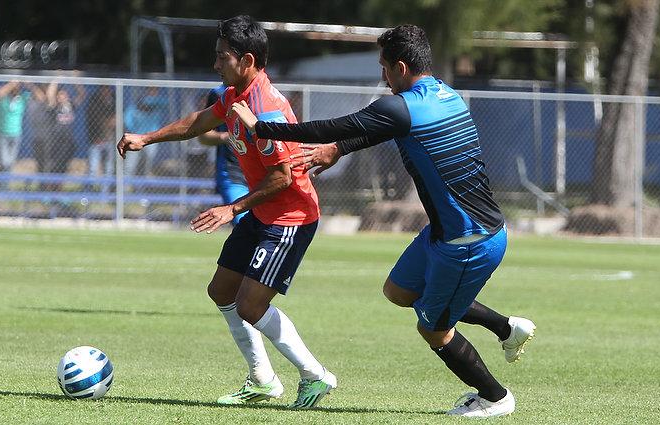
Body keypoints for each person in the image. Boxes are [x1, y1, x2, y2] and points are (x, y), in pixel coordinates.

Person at [229, 24, 535, 418]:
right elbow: (374, 130)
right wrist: (339, 150)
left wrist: (261, 127)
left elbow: (332, 126)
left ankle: (495, 397)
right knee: (399, 291)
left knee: (434, 330)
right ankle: (506, 328)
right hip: (448, 232)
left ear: (401, 68)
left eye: (384, 68)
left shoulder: (399, 107)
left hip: (468, 242)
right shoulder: (445, 95)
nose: (383, 76)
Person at [116, 15, 336, 409]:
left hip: (289, 217)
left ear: (247, 60)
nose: (215, 63)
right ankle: (262, 379)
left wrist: (231, 208)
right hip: (263, 212)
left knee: (251, 305)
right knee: (221, 290)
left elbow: (283, 177)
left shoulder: (266, 110)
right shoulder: (236, 94)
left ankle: (314, 375)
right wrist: (147, 138)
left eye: (223, 57)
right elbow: (199, 122)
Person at [197, 85, 249, 224]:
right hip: (233, 172)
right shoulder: (219, 93)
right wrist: (225, 137)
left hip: (263, 174)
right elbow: (203, 136)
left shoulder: (265, 92)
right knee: (243, 222)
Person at [122, 86, 166, 176]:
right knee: (130, 164)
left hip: (152, 137)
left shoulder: (159, 103)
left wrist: (149, 103)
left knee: (148, 163)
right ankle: (127, 183)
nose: (152, 92)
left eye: (155, 90)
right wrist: (142, 105)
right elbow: (127, 118)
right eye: (150, 90)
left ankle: (143, 183)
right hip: (137, 137)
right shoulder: (136, 105)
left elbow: (164, 103)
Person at [0, 80, 30, 178]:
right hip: (2, 134)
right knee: (4, 161)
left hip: (16, 134)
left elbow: (40, 97)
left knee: (10, 162)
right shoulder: (4, 99)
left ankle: (3, 184)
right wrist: (12, 83)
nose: (15, 89)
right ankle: (1, 183)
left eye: (17, 87)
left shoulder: (22, 99)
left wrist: (29, 84)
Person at [86, 86, 115, 188]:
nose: (106, 91)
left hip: (110, 139)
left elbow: (116, 119)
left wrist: (112, 121)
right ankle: (90, 190)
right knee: (93, 166)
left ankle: (105, 191)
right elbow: (95, 120)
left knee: (109, 167)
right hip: (96, 139)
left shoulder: (114, 100)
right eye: (104, 89)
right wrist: (96, 137)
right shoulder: (94, 101)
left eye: (108, 89)